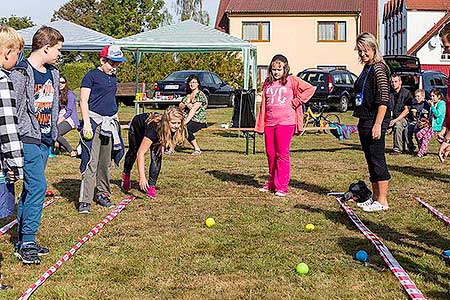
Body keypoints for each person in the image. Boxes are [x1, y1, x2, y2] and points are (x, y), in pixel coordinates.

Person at [10, 26, 64, 264]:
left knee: (31, 189)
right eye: (58, 49)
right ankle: (28, 241)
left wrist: (52, 133)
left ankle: (23, 239)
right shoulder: (21, 73)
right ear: (46, 47)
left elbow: (53, 107)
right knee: (39, 188)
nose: (60, 54)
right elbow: (13, 107)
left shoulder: (52, 73)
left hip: (44, 139)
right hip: (27, 137)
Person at [255, 54, 315, 197]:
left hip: (286, 122)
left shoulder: (292, 80)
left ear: (285, 69)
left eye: (279, 69)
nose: (276, 72)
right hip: (270, 122)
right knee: (270, 154)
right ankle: (271, 181)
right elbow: (264, 104)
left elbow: (310, 89)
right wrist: (261, 123)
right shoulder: (267, 83)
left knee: (282, 154)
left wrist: (298, 100)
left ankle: (281, 186)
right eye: (273, 69)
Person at [78, 45, 126, 214]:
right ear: (102, 60)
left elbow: (111, 101)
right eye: (112, 63)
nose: (115, 67)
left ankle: (103, 194)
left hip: (109, 124)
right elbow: (83, 101)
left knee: (105, 162)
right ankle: (85, 200)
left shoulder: (113, 77)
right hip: (94, 123)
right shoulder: (91, 76)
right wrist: (87, 123)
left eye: (118, 64)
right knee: (91, 161)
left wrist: (117, 123)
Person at [352, 32, 391, 212]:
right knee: (370, 159)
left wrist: (377, 124)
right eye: (360, 51)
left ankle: (383, 200)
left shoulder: (379, 68)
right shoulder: (366, 68)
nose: (362, 54)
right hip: (364, 118)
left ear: (373, 49)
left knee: (377, 159)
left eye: (365, 50)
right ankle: (374, 197)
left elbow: (383, 99)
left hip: (375, 120)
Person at [121, 107, 186, 198]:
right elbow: (140, 153)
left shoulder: (175, 128)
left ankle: (151, 186)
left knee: (157, 155)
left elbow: (166, 138)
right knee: (134, 151)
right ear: (166, 121)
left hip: (157, 131)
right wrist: (142, 178)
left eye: (178, 123)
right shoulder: (154, 129)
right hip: (138, 127)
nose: (176, 125)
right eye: (173, 123)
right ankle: (126, 175)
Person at [178, 74, 207, 155]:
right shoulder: (188, 95)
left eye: (194, 82)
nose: (192, 84)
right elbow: (180, 106)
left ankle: (197, 149)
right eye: (190, 82)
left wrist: (185, 122)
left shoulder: (200, 95)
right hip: (185, 117)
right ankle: (171, 148)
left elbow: (193, 109)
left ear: (198, 84)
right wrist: (186, 104)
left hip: (198, 120)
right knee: (173, 125)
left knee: (185, 128)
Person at [415, 89, 446, 157]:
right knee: (419, 134)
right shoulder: (434, 103)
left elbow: (437, 114)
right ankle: (423, 150)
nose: (431, 98)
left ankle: (420, 153)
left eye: (433, 96)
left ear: (439, 96)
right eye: (431, 96)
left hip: (438, 126)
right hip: (431, 125)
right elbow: (431, 115)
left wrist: (431, 106)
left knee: (426, 137)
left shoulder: (442, 104)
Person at [389, 74, 414, 155]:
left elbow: (406, 111)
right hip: (392, 117)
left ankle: (397, 149)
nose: (393, 83)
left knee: (398, 124)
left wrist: (395, 120)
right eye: (392, 82)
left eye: (396, 81)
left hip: (405, 118)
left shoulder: (407, 93)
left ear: (400, 82)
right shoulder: (389, 93)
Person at [56, 75, 79, 157]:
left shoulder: (70, 94)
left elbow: (69, 111)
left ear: (66, 83)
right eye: (59, 82)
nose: (60, 84)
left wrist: (60, 120)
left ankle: (71, 151)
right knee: (54, 131)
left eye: (63, 82)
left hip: (70, 119)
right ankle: (57, 149)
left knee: (56, 132)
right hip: (60, 117)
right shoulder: (57, 93)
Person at [405, 89, 429, 154]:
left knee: (417, 130)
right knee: (407, 129)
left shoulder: (426, 104)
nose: (417, 98)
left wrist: (423, 116)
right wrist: (413, 114)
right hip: (415, 121)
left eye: (418, 96)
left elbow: (425, 117)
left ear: (423, 96)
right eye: (416, 96)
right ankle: (411, 147)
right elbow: (414, 117)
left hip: (424, 123)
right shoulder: (414, 104)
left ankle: (422, 149)